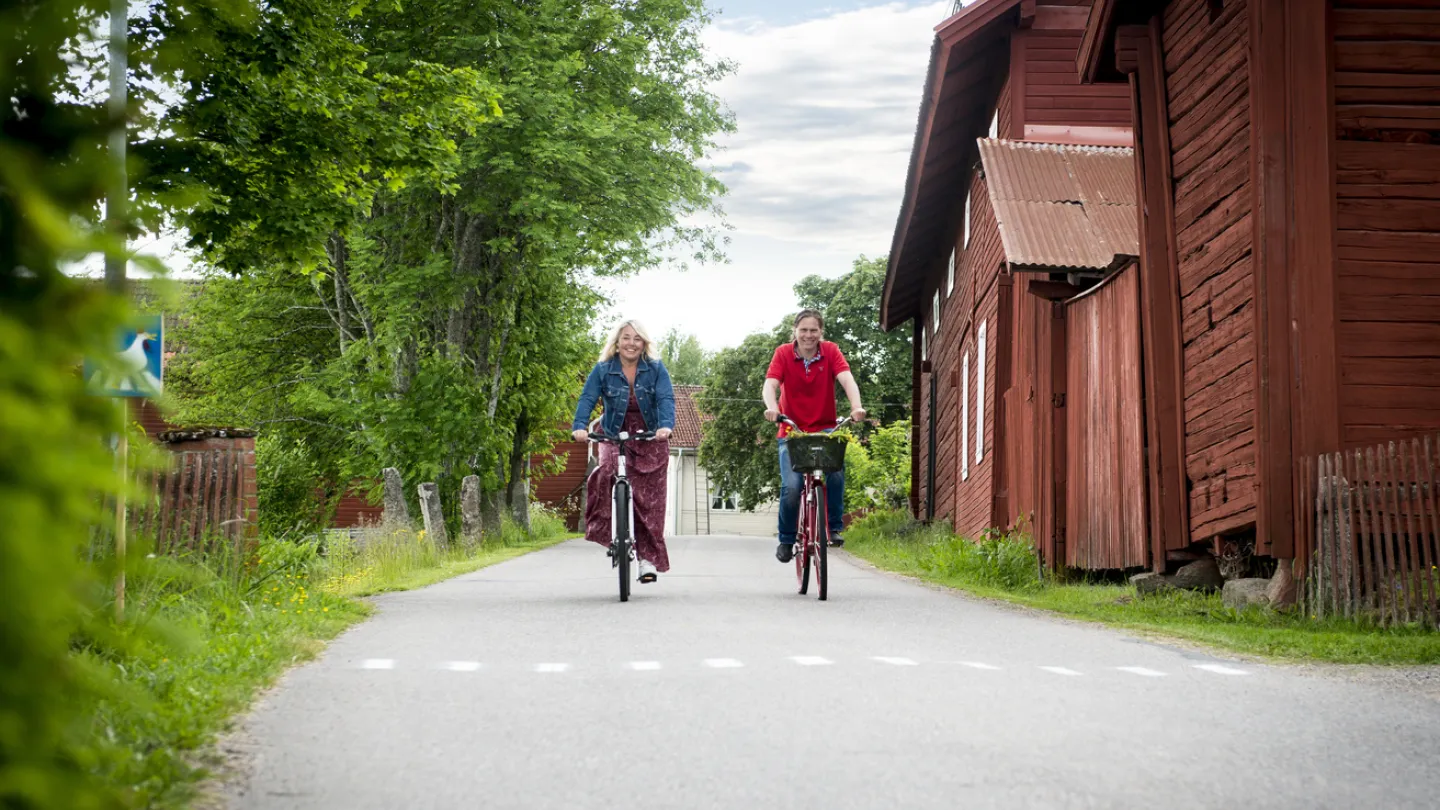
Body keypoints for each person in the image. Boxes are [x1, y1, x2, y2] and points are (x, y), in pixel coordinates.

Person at [572, 319, 675, 583]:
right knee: (605, 471)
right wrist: (580, 426)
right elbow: (587, 398)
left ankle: (647, 560)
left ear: (644, 344)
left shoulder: (655, 369)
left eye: (637, 339)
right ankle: (612, 534)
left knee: (650, 497)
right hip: (613, 431)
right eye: (626, 338)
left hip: (649, 433)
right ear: (617, 342)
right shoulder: (604, 369)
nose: (631, 343)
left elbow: (665, 398)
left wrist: (665, 426)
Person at [762, 308, 866, 563]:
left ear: (821, 332)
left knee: (836, 471)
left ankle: (833, 527)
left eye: (813, 330)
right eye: (803, 330)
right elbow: (771, 384)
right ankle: (787, 539)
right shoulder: (783, 353)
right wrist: (772, 408)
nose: (808, 335)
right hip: (792, 430)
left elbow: (846, 378)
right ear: (795, 332)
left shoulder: (830, 351)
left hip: (825, 427)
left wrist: (856, 407)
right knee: (792, 487)